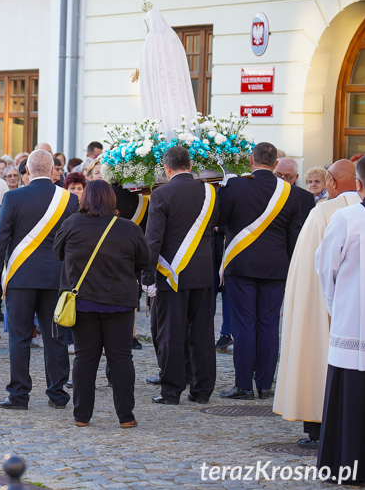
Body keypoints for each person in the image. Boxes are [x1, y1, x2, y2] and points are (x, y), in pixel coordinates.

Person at [273, 159, 360, 448]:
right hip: (359, 306)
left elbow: (313, 270)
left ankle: (317, 425)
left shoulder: (324, 213)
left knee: (317, 357)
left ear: (332, 183)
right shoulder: (358, 211)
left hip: (330, 302)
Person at [0, 150, 79, 410]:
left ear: (26, 171)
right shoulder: (69, 200)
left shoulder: (13, 197)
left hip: (21, 278)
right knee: (56, 338)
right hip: (57, 279)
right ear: (52, 171)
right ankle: (58, 394)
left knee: (19, 337)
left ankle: (18, 395)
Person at [54, 180, 150, 427]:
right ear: (112, 199)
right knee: (121, 358)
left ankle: (81, 416)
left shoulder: (72, 224)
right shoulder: (128, 228)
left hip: (82, 303)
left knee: (85, 359)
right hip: (119, 303)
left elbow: (58, 253)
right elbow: (143, 259)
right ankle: (126, 417)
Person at [217, 142, 303, 400]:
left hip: (241, 265)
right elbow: (293, 236)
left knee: (244, 325)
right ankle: (265, 385)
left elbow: (219, 220)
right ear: (276, 164)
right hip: (276, 268)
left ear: (251, 161)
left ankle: (243, 385)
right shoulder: (290, 192)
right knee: (268, 326)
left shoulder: (234, 186)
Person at [140, 146, 218, 405]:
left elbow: (153, 239)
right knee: (203, 333)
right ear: (191, 165)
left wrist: (147, 274)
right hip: (203, 272)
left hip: (170, 274)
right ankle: (202, 390)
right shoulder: (210, 192)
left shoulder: (160, 194)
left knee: (170, 333)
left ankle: (171, 391)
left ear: (167, 168)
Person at [314, 155, 365, 484]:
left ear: (358, 185)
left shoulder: (347, 218)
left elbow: (325, 269)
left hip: (353, 324)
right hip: (352, 323)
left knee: (349, 399)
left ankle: (347, 467)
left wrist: (336, 307)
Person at [275, 157, 315, 225]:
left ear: (296, 177)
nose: (282, 180)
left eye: (287, 176)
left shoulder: (306, 198)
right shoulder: (264, 192)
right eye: (278, 175)